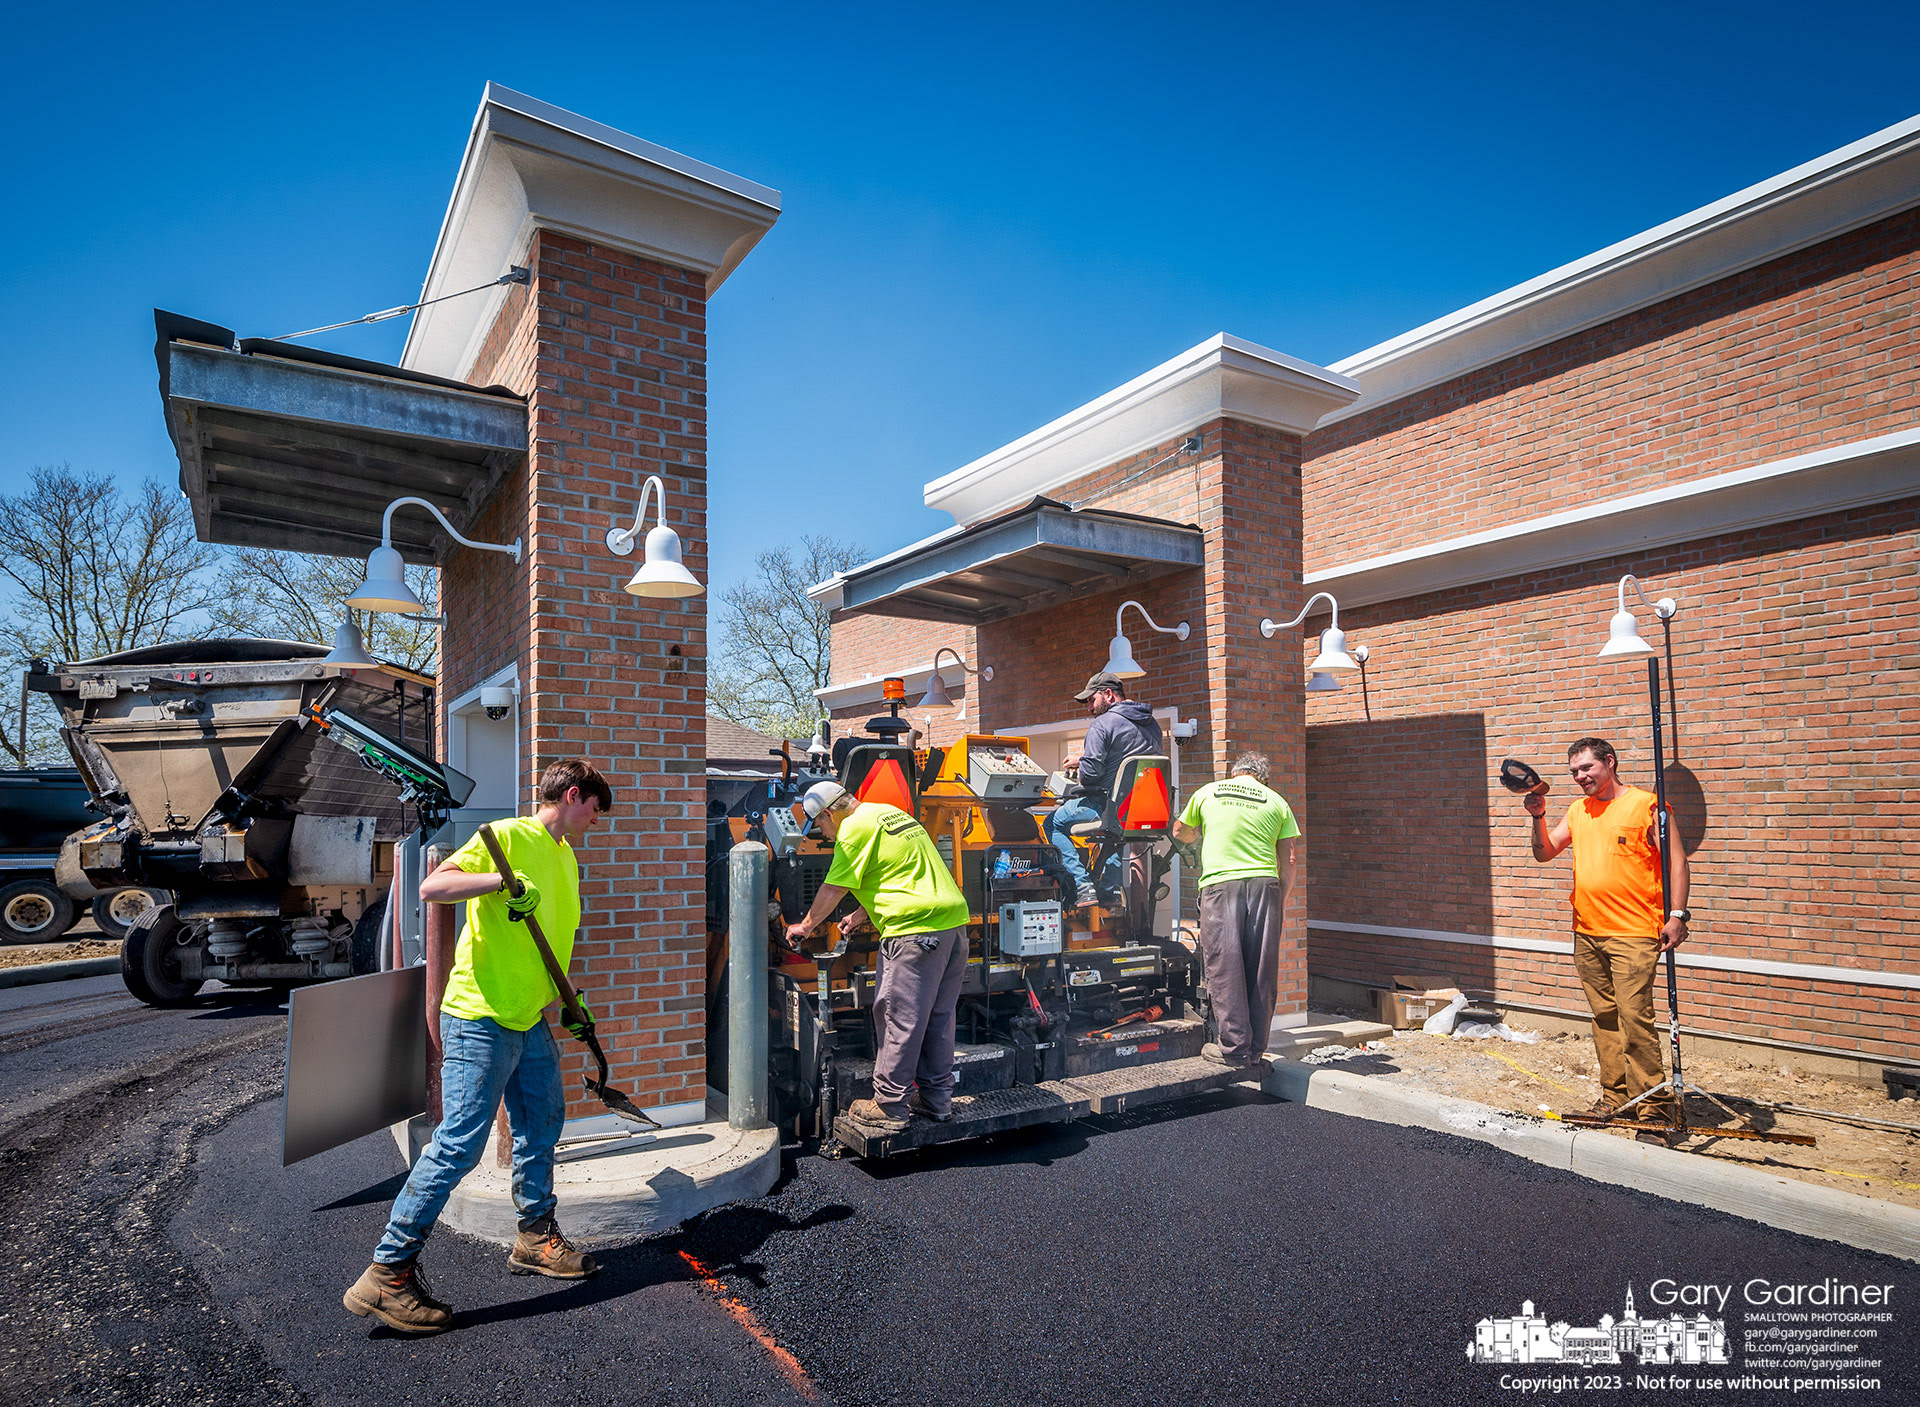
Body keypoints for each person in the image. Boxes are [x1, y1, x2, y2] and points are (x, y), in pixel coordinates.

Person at [343, 759, 614, 1335]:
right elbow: (433, 887)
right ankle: (388, 1273)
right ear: (573, 795)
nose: (597, 821)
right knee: (460, 1145)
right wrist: (500, 881)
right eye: (595, 809)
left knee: (542, 1123)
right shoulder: (511, 837)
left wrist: (565, 1001)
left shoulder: (564, 855)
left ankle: (535, 1237)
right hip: (479, 1019)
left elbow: (546, 941)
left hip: (528, 1019)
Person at [1522, 737, 1690, 1131]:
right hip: (1587, 931)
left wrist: (1678, 915)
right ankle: (1616, 1098)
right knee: (1605, 1018)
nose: (1580, 777)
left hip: (1634, 932)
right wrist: (1538, 816)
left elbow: (1677, 861)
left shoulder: (1646, 805)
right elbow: (1545, 852)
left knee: (1635, 1019)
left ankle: (1655, 1109)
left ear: (1609, 763)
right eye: (1574, 772)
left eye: (1586, 769)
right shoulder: (1579, 810)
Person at [785, 780, 970, 1133]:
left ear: (828, 813)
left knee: (899, 1017)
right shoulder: (888, 814)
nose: (822, 833)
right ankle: (936, 1099)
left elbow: (834, 887)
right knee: (938, 1018)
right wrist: (859, 915)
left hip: (913, 933)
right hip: (952, 926)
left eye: (820, 825)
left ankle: (889, 1105)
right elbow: (899, 874)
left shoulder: (852, 829)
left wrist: (805, 926)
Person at [1172, 752, 1300, 1067]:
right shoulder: (1277, 802)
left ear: (1235, 773)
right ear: (1263, 778)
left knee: (1225, 967)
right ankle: (1256, 1049)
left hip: (1221, 887)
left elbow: (1179, 833)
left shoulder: (1208, 792)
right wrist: (1278, 902)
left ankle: (1234, 1049)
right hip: (1265, 888)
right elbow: (1291, 861)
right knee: (1261, 970)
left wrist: (1198, 836)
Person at [1045, 671, 1164, 909]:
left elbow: (1090, 776)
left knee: (1053, 823)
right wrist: (1084, 758)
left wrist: (1083, 766)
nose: (1089, 707)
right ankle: (1109, 891)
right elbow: (1124, 761)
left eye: (1091, 700)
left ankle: (1082, 885)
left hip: (1107, 805)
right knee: (1113, 833)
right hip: (1143, 810)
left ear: (1108, 695)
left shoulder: (1102, 724)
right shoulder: (1152, 725)